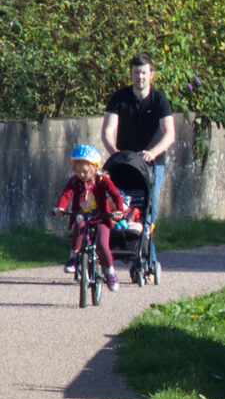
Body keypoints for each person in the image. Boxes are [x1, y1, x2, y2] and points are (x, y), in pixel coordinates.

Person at [101, 54, 177, 223]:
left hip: (152, 163)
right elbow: (107, 131)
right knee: (119, 203)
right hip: (124, 163)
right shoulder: (119, 98)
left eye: (143, 72)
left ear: (152, 74)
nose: (140, 77)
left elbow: (169, 133)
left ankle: (147, 244)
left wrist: (152, 153)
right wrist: (115, 153)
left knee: (148, 205)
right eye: (136, 72)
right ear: (131, 74)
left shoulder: (159, 100)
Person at [53, 144, 129, 291]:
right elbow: (66, 194)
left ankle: (110, 271)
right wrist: (60, 208)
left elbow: (115, 195)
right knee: (79, 226)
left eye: (85, 171)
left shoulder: (102, 181)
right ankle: (73, 257)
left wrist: (119, 211)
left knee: (102, 245)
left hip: (101, 217)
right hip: (83, 215)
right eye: (78, 171)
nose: (81, 175)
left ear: (94, 168)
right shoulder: (74, 181)